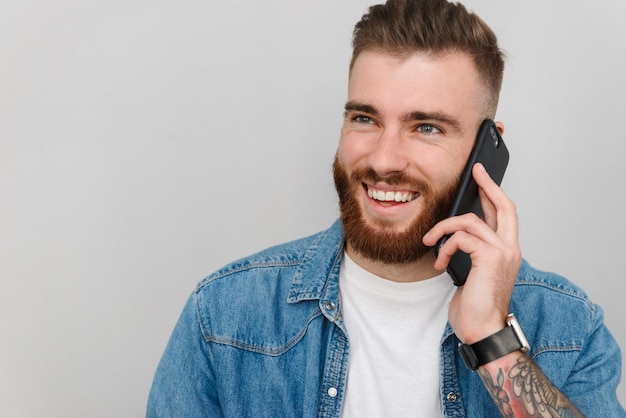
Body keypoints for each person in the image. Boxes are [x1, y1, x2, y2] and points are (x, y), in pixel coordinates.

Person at [147, 0, 625, 416]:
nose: (382, 159)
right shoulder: (224, 317)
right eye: (364, 118)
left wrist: (490, 339)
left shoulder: (569, 326)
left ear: (487, 150)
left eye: (427, 127)